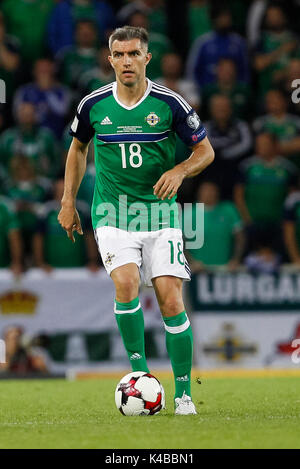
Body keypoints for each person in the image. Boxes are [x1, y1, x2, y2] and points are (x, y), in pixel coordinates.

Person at [58, 26, 214, 414]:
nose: (126, 61)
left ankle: (182, 395)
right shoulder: (93, 105)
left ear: (147, 58)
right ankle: (141, 377)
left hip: (159, 213)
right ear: (109, 59)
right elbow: (78, 149)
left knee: (170, 297)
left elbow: (206, 152)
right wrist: (67, 201)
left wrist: (180, 170)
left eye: (134, 54)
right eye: (119, 54)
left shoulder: (170, 103)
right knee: (126, 284)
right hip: (111, 211)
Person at [184, 181, 244, 272]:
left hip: (225, 269)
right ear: (199, 193)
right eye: (206, 191)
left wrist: (236, 260)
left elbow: (240, 238)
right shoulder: (188, 213)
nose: (209, 194)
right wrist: (190, 262)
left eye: (212, 191)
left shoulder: (229, 210)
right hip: (198, 270)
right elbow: (179, 242)